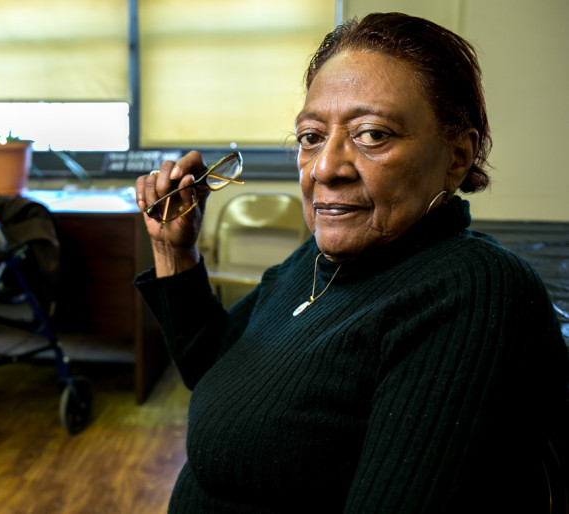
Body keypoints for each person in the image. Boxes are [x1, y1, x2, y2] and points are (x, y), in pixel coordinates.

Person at [133, 12, 569, 514]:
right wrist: (173, 249)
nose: (324, 168)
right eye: (311, 136)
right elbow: (212, 368)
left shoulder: (473, 291)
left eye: (373, 134)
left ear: (457, 156)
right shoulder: (319, 260)